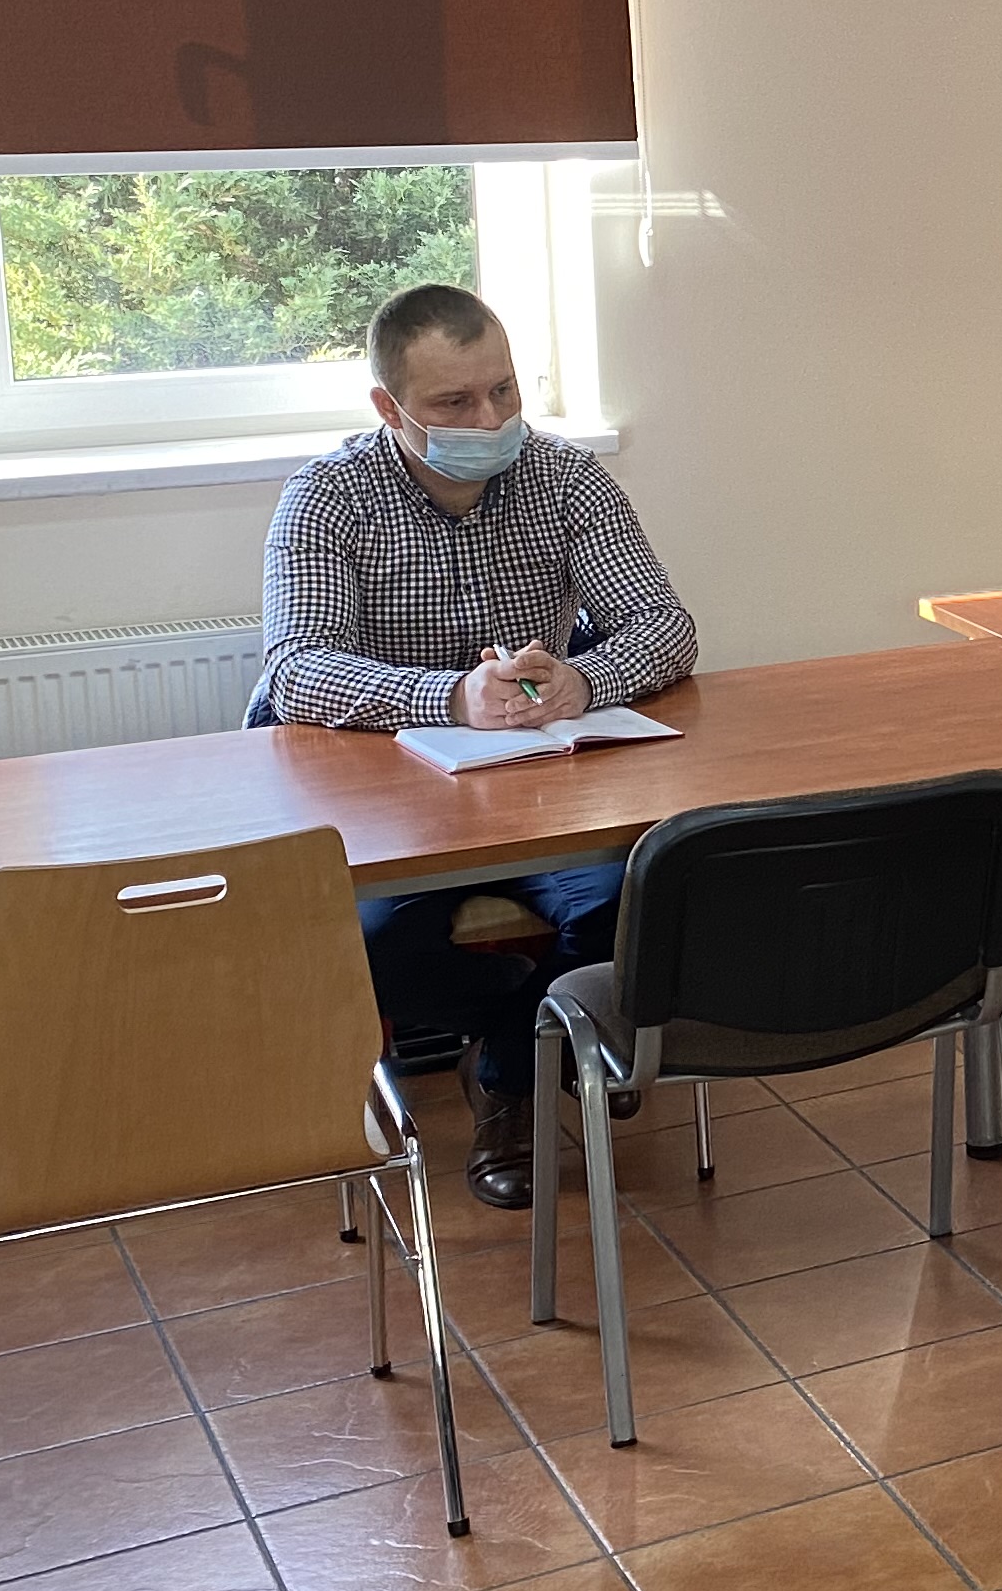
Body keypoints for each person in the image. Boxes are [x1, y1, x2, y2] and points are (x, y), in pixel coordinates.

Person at [250, 282, 699, 1208]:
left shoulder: (564, 477)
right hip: (386, 797)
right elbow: (296, 670)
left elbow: (664, 626)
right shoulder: (328, 497)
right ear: (391, 409)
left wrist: (581, 679)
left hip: (539, 784)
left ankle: (507, 1076)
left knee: (638, 898)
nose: (490, 420)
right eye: (454, 402)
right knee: (364, 944)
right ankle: (538, 1028)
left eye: (504, 391)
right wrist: (450, 698)